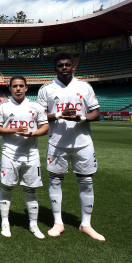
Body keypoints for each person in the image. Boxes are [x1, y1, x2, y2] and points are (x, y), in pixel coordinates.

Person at [37, 51, 104, 241]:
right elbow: (40, 115)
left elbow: (96, 113)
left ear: (73, 66)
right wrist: (59, 115)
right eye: (60, 65)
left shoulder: (84, 86)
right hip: (57, 143)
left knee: (86, 181)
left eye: (67, 64)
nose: (64, 68)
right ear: (55, 68)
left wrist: (80, 118)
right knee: (55, 180)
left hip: (83, 143)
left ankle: (86, 224)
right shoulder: (46, 89)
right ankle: (58, 222)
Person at [0, 76, 49, 238]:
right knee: (7, 188)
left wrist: (33, 133)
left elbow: (45, 127)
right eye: (15, 86)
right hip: (9, 154)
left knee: (31, 190)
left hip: (31, 155)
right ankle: (5, 222)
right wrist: (14, 131)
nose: (18, 88)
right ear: (9, 88)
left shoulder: (36, 106)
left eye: (21, 86)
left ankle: (33, 224)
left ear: (26, 88)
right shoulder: (2, 106)